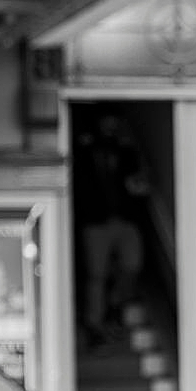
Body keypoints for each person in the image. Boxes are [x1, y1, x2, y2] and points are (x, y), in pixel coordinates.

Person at [77, 113, 151, 347]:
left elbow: (138, 183)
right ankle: (95, 325)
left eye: (114, 122)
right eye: (107, 121)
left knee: (132, 265)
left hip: (125, 219)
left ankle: (115, 305)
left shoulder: (126, 151)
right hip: (96, 221)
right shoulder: (84, 150)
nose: (111, 126)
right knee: (96, 275)